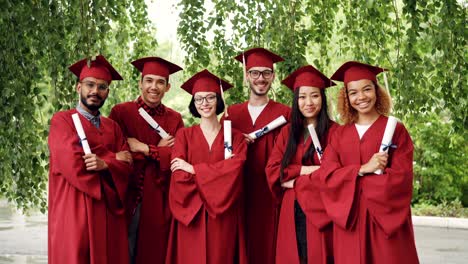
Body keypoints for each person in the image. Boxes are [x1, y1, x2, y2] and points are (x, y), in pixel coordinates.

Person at [321, 61, 419, 263]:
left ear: (377, 90)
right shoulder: (338, 134)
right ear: (346, 97)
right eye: (353, 92)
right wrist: (363, 169)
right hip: (351, 221)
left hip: (384, 221)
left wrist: (353, 182)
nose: (361, 97)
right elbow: (328, 175)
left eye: (367, 89)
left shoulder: (395, 130)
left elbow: (402, 177)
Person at [48, 55, 133, 264]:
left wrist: (104, 163)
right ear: (79, 87)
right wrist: (113, 159)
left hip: (108, 212)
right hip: (75, 212)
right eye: (90, 85)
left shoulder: (112, 127)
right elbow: (74, 163)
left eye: (102, 87)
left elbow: (128, 165)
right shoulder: (62, 120)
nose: (95, 91)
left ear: (108, 92)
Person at [166, 69, 248, 264]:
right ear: (193, 103)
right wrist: (218, 177)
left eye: (210, 97)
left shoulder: (235, 137)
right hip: (192, 215)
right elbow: (178, 176)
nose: (205, 103)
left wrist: (194, 170)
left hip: (224, 215)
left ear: (218, 100)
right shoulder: (183, 136)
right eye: (199, 99)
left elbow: (235, 172)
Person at [109, 57, 184, 264]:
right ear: (140, 83)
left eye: (160, 82)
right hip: (129, 193)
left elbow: (177, 157)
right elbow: (118, 154)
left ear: (168, 87)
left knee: (155, 252)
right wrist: (159, 151)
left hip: (160, 196)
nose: (154, 87)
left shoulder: (174, 118)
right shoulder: (121, 112)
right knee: (125, 250)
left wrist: (144, 148)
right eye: (149, 80)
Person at [222, 47, 291, 264]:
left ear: (273, 76)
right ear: (246, 75)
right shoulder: (230, 114)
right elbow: (220, 155)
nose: (260, 79)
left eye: (266, 73)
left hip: (271, 193)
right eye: (254, 73)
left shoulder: (286, 114)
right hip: (239, 192)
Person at [265, 65, 337, 264]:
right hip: (291, 207)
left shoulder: (335, 132)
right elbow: (273, 171)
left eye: (314, 95)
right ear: (296, 101)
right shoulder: (287, 133)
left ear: (322, 98)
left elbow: (333, 174)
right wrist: (308, 170)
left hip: (321, 209)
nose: (308, 102)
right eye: (302, 97)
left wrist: (293, 180)